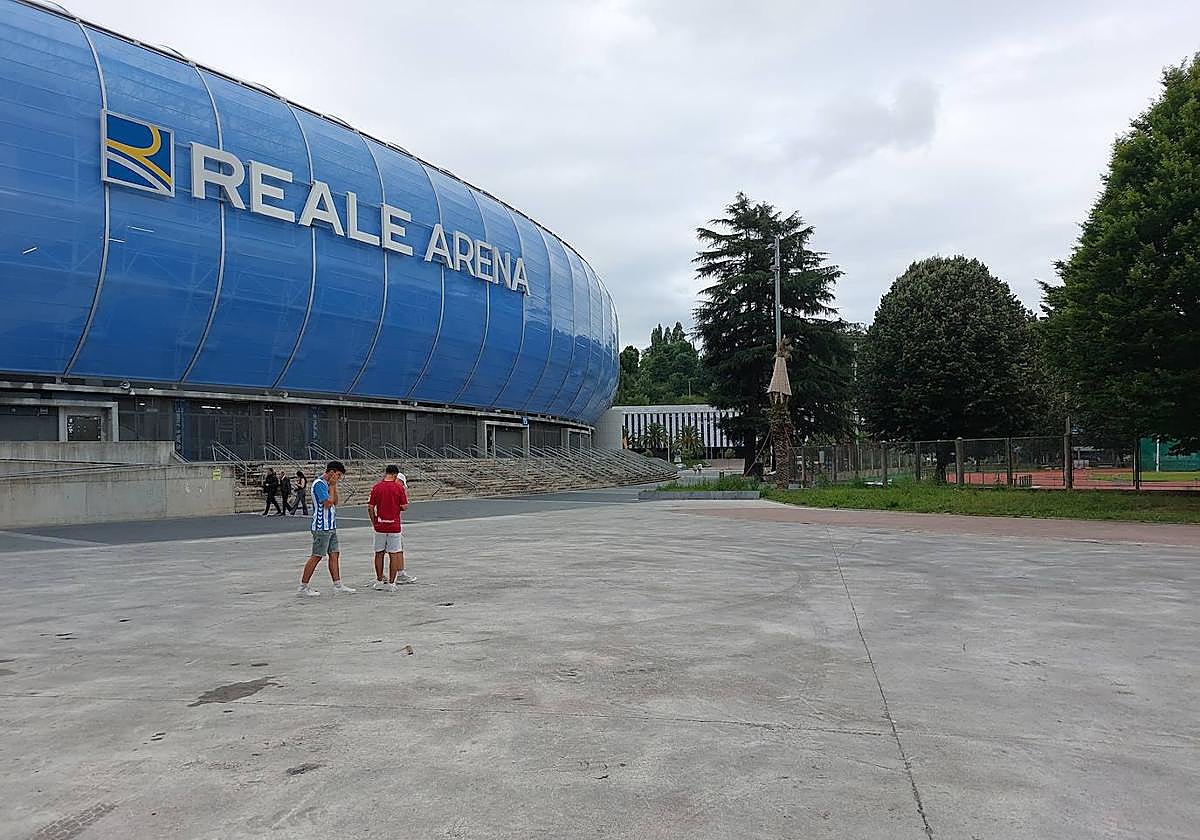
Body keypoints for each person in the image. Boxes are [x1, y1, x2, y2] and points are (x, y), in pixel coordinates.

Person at [297, 461, 355, 596]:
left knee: (334, 554)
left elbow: (336, 501)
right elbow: (328, 503)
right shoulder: (319, 484)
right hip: (321, 526)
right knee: (316, 555)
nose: (338, 478)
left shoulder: (329, 485)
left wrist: (334, 487)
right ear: (332, 472)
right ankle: (303, 586)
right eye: (338, 475)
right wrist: (333, 486)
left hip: (331, 525)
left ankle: (338, 584)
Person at [369, 465, 416, 590]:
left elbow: (370, 507)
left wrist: (374, 521)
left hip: (380, 525)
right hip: (394, 525)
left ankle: (379, 580)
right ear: (395, 475)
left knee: (379, 553)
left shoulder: (377, 487)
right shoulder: (398, 488)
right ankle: (392, 583)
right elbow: (405, 506)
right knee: (394, 553)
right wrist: (397, 507)